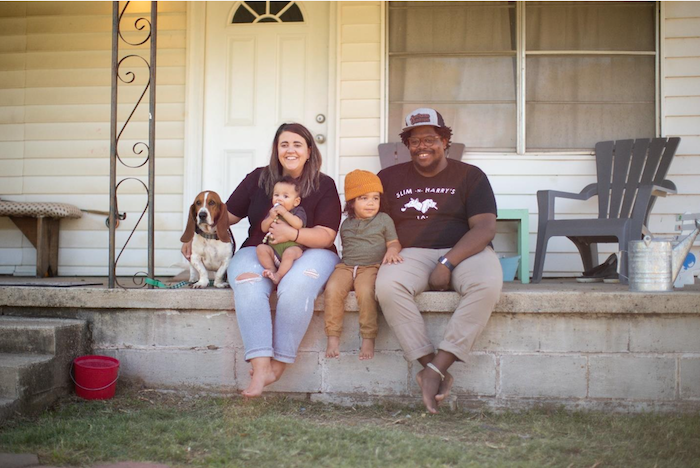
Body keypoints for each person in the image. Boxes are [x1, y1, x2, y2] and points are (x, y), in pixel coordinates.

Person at [181, 123, 341, 398]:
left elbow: (326, 235)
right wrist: (194, 233)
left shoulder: (323, 184)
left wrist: (293, 233)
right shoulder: (259, 178)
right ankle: (260, 364)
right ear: (276, 149)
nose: (290, 149)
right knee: (248, 283)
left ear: (309, 151)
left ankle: (276, 367)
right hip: (259, 248)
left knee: (296, 286)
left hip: (311, 250)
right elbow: (227, 215)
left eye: (297, 144)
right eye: (284, 144)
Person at [376, 108, 503, 413]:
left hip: (464, 249)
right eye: (415, 140)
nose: (423, 146)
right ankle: (430, 367)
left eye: (431, 139)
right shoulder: (388, 178)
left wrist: (446, 263)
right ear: (406, 144)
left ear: (445, 140)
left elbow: (485, 227)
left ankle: (436, 369)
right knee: (388, 288)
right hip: (410, 252)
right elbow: (374, 220)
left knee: (486, 285)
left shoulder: (470, 175)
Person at [324, 170, 403, 361]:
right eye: (363, 198)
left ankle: (368, 338)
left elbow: (393, 242)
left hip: (371, 267)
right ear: (351, 202)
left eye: (375, 198)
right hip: (346, 266)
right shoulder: (346, 224)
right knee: (332, 289)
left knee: (366, 292)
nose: (371, 203)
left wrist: (392, 251)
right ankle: (333, 336)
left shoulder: (384, 220)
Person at [256, 176, 307, 284]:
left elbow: (298, 224)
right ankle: (272, 269)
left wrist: (284, 213)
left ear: (296, 201)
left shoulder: (297, 211)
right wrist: (270, 217)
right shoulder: (273, 212)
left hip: (293, 248)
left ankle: (278, 275)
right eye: (276, 195)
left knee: (289, 253)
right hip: (274, 251)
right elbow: (263, 228)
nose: (279, 199)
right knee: (261, 248)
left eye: (285, 196)